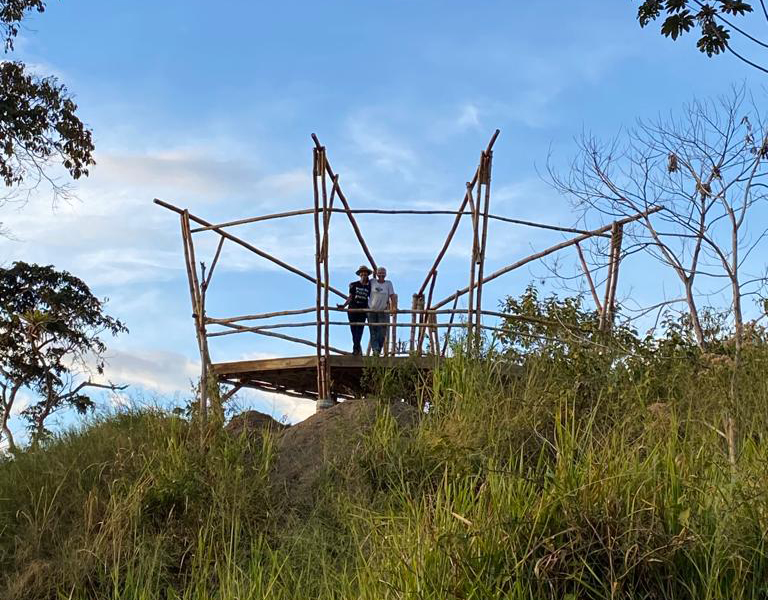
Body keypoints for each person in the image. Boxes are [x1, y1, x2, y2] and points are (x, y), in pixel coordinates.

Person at [337, 265, 371, 355]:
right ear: (359, 275)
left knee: (360, 330)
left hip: (362, 311)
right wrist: (344, 305)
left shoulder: (369, 286)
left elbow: (372, 297)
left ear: (367, 275)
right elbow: (350, 297)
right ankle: (356, 349)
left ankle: (356, 348)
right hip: (353, 309)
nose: (363, 276)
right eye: (362, 274)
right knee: (353, 330)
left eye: (365, 274)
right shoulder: (354, 285)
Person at [368, 266, 396, 355]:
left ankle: (378, 349)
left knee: (382, 331)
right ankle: (375, 350)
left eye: (383, 273)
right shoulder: (372, 281)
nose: (381, 275)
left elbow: (392, 296)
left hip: (383, 310)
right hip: (371, 310)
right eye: (379, 273)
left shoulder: (388, 284)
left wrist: (393, 307)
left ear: (385, 275)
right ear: (376, 274)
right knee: (373, 331)